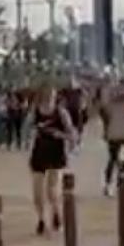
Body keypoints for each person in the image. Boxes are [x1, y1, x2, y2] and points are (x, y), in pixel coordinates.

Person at [27, 87, 75, 236]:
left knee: (51, 189)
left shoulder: (61, 113)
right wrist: (31, 133)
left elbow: (72, 134)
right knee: (37, 191)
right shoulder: (35, 113)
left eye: (52, 96)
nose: (49, 99)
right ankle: (41, 219)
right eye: (46, 96)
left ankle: (56, 212)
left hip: (56, 152)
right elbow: (27, 129)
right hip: (39, 152)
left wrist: (59, 135)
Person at [101, 80, 124, 196]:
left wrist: (105, 131)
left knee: (112, 158)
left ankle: (108, 184)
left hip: (113, 132)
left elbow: (104, 115)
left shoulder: (108, 99)